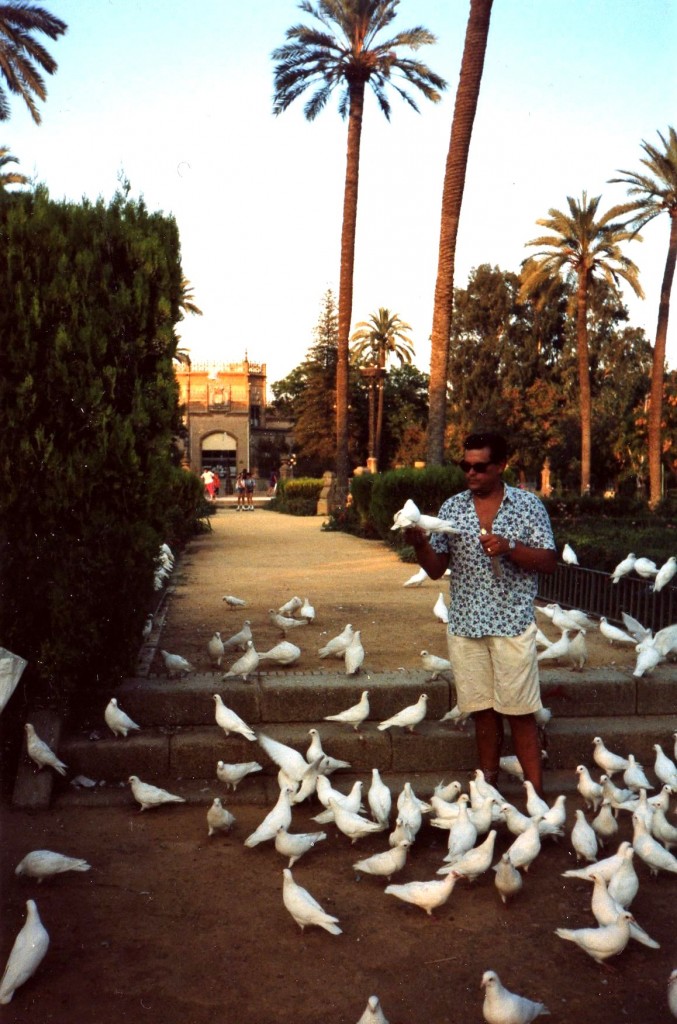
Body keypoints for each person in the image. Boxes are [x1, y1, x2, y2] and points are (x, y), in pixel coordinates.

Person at [404, 431, 557, 797]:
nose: (470, 473)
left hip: (512, 624)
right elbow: (436, 569)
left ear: (500, 466)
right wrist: (420, 544)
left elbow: (549, 561)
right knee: (483, 713)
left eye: (480, 467)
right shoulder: (452, 508)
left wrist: (510, 547)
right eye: (465, 466)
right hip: (466, 625)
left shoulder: (527, 505)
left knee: (520, 712)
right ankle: (488, 788)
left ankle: (536, 797)